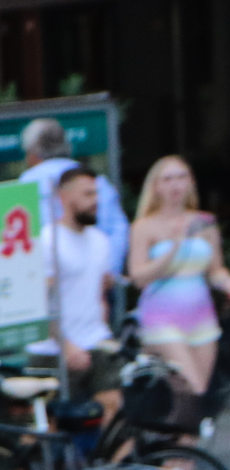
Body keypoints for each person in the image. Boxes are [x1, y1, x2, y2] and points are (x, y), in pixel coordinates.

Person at [127, 154, 230, 412]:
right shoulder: (144, 226)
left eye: (182, 177)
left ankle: (180, 453)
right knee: (191, 388)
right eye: (168, 179)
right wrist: (173, 248)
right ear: (156, 187)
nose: (176, 185)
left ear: (191, 183)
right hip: (162, 319)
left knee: (197, 402)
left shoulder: (204, 222)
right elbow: (139, 276)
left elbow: (215, 270)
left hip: (201, 319)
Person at [47, 167, 122, 423]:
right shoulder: (48, 241)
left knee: (114, 407)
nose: (95, 201)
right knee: (50, 425)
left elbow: (100, 295)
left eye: (96, 194)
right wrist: (66, 347)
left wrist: (104, 331)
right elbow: (41, 303)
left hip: (95, 341)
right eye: (88, 194)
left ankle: (106, 463)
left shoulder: (100, 241)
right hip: (54, 349)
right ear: (64, 197)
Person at [17, 118, 127, 277]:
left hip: (44, 281)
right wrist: (109, 272)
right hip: (94, 277)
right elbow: (117, 229)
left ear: (32, 153)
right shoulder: (95, 181)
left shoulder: (26, 183)